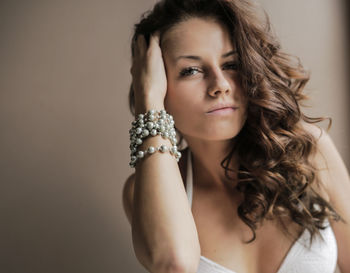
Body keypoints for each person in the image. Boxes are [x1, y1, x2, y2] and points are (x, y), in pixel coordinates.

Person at [122, 1, 350, 272]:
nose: (220, 85)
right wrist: (148, 104)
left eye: (231, 64)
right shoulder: (142, 189)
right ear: (157, 85)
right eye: (191, 70)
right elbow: (173, 263)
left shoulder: (309, 151)